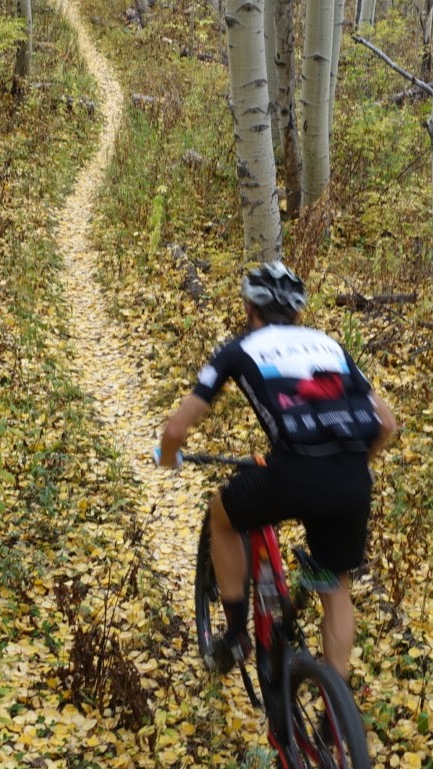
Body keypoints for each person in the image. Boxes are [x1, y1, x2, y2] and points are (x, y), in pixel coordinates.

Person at [156, 262, 397, 681]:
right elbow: (388, 424)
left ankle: (234, 635)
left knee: (222, 516)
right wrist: (357, 468)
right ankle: (334, 710)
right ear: (298, 313)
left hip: (295, 472)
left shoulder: (241, 348)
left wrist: (166, 456)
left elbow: (177, 428)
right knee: (335, 585)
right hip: (351, 478)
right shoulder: (330, 346)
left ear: (250, 307)